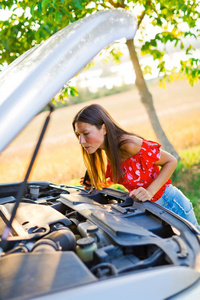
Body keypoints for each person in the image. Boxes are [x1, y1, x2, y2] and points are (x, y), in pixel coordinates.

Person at [72, 104, 200, 230]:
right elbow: (127, 175)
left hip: (170, 204)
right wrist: (101, 183)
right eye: (78, 135)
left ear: (104, 128)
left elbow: (171, 161)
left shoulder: (129, 144)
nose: (81, 141)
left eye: (86, 133)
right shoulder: (109, 151)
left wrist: (149, 192)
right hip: (151, 209)